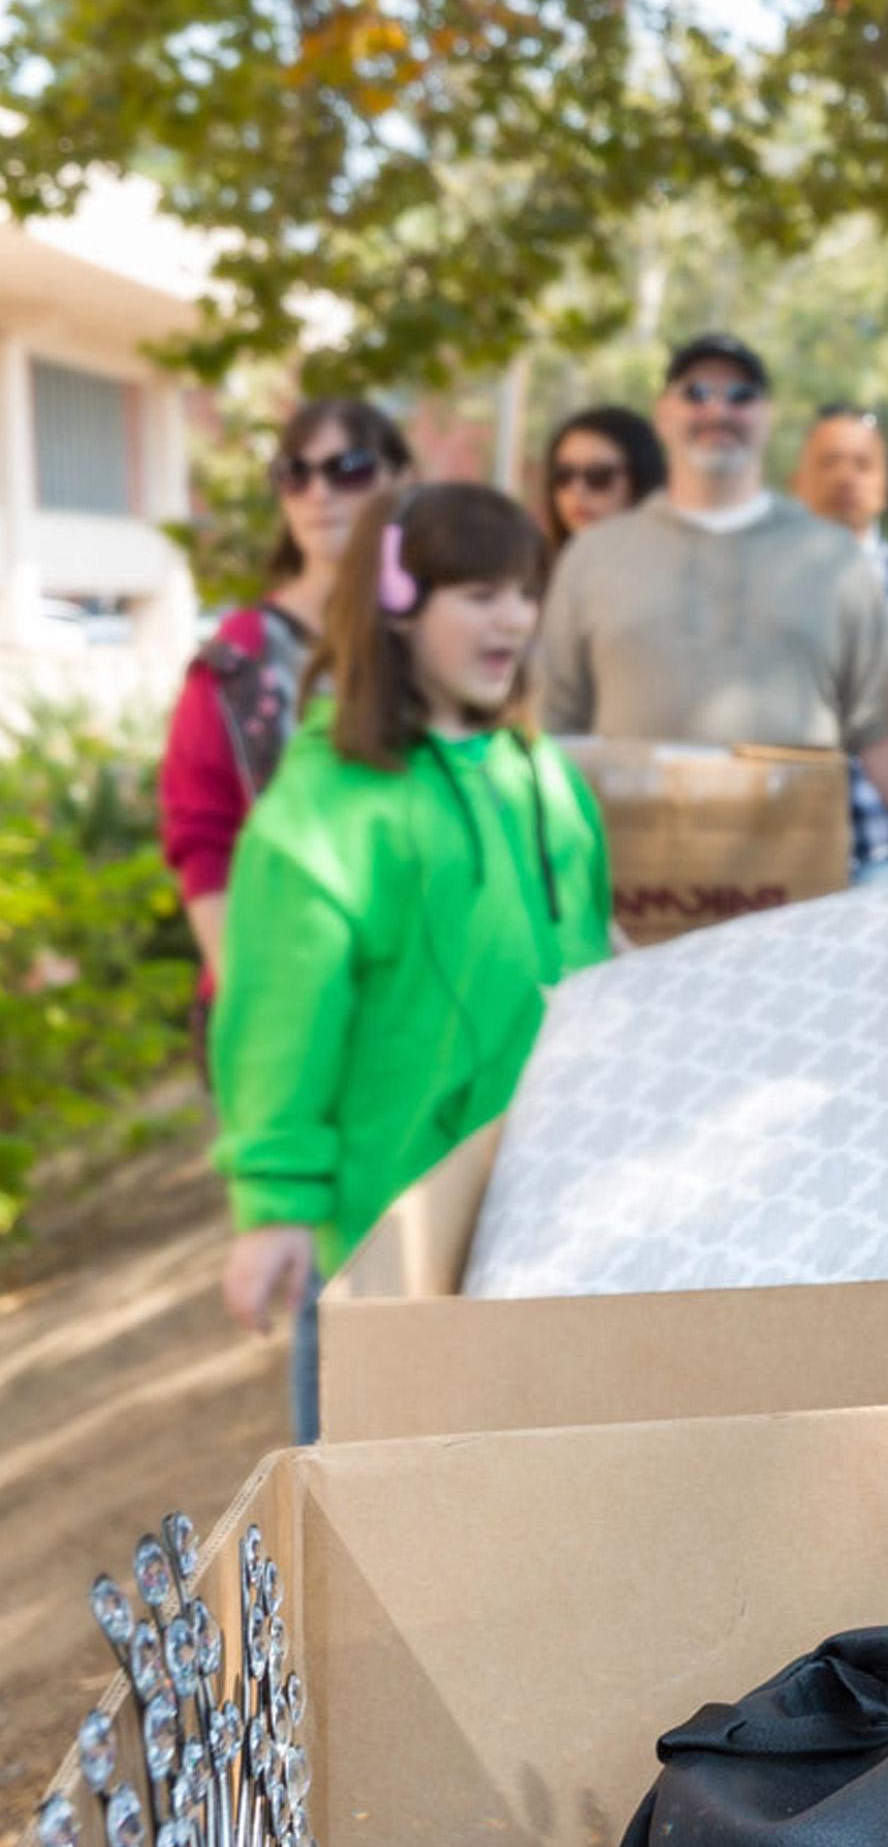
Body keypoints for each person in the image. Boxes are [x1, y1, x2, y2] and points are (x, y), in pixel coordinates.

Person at [213, 483, 613, 1440]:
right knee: (379, 1522)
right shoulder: (321, 810)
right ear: (394, 603)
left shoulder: (536, 764)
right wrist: (273, 1208)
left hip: (551, 1218)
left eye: (525, 590)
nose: (514, 616)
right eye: (481, 592)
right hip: (392, 1246)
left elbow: (592, 939)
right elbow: (279, 1018)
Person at [533, 334, 888, 852]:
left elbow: (879, 729)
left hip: (796, 887)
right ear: (663, 413)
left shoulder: (833, 557)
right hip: (633, 885)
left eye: (741, 395)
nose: (718, 409)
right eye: (695, 392)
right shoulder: (593, 555)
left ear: (768, 416)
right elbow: (553, 732)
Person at [160, 397, 414, 1008]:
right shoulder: (238, 657)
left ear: (401, 479)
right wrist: (253, 992)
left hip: (418, 999)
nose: (318, 493)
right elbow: (203, 840)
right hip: (285, 993)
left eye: (347, 468)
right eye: (294, 473)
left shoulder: (434, 633)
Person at [797, 401, 888, 880]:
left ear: (884, 485)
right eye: (829, 461)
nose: (845, 477)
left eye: (862, 464)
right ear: (799, 479)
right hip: (789, 850)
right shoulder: (763, 588)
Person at [539, 405, 666, 548]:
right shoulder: (540, 564)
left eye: (598, 476)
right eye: (563, 475)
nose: (577, 490)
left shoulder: (676, 563)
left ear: (640, 480)